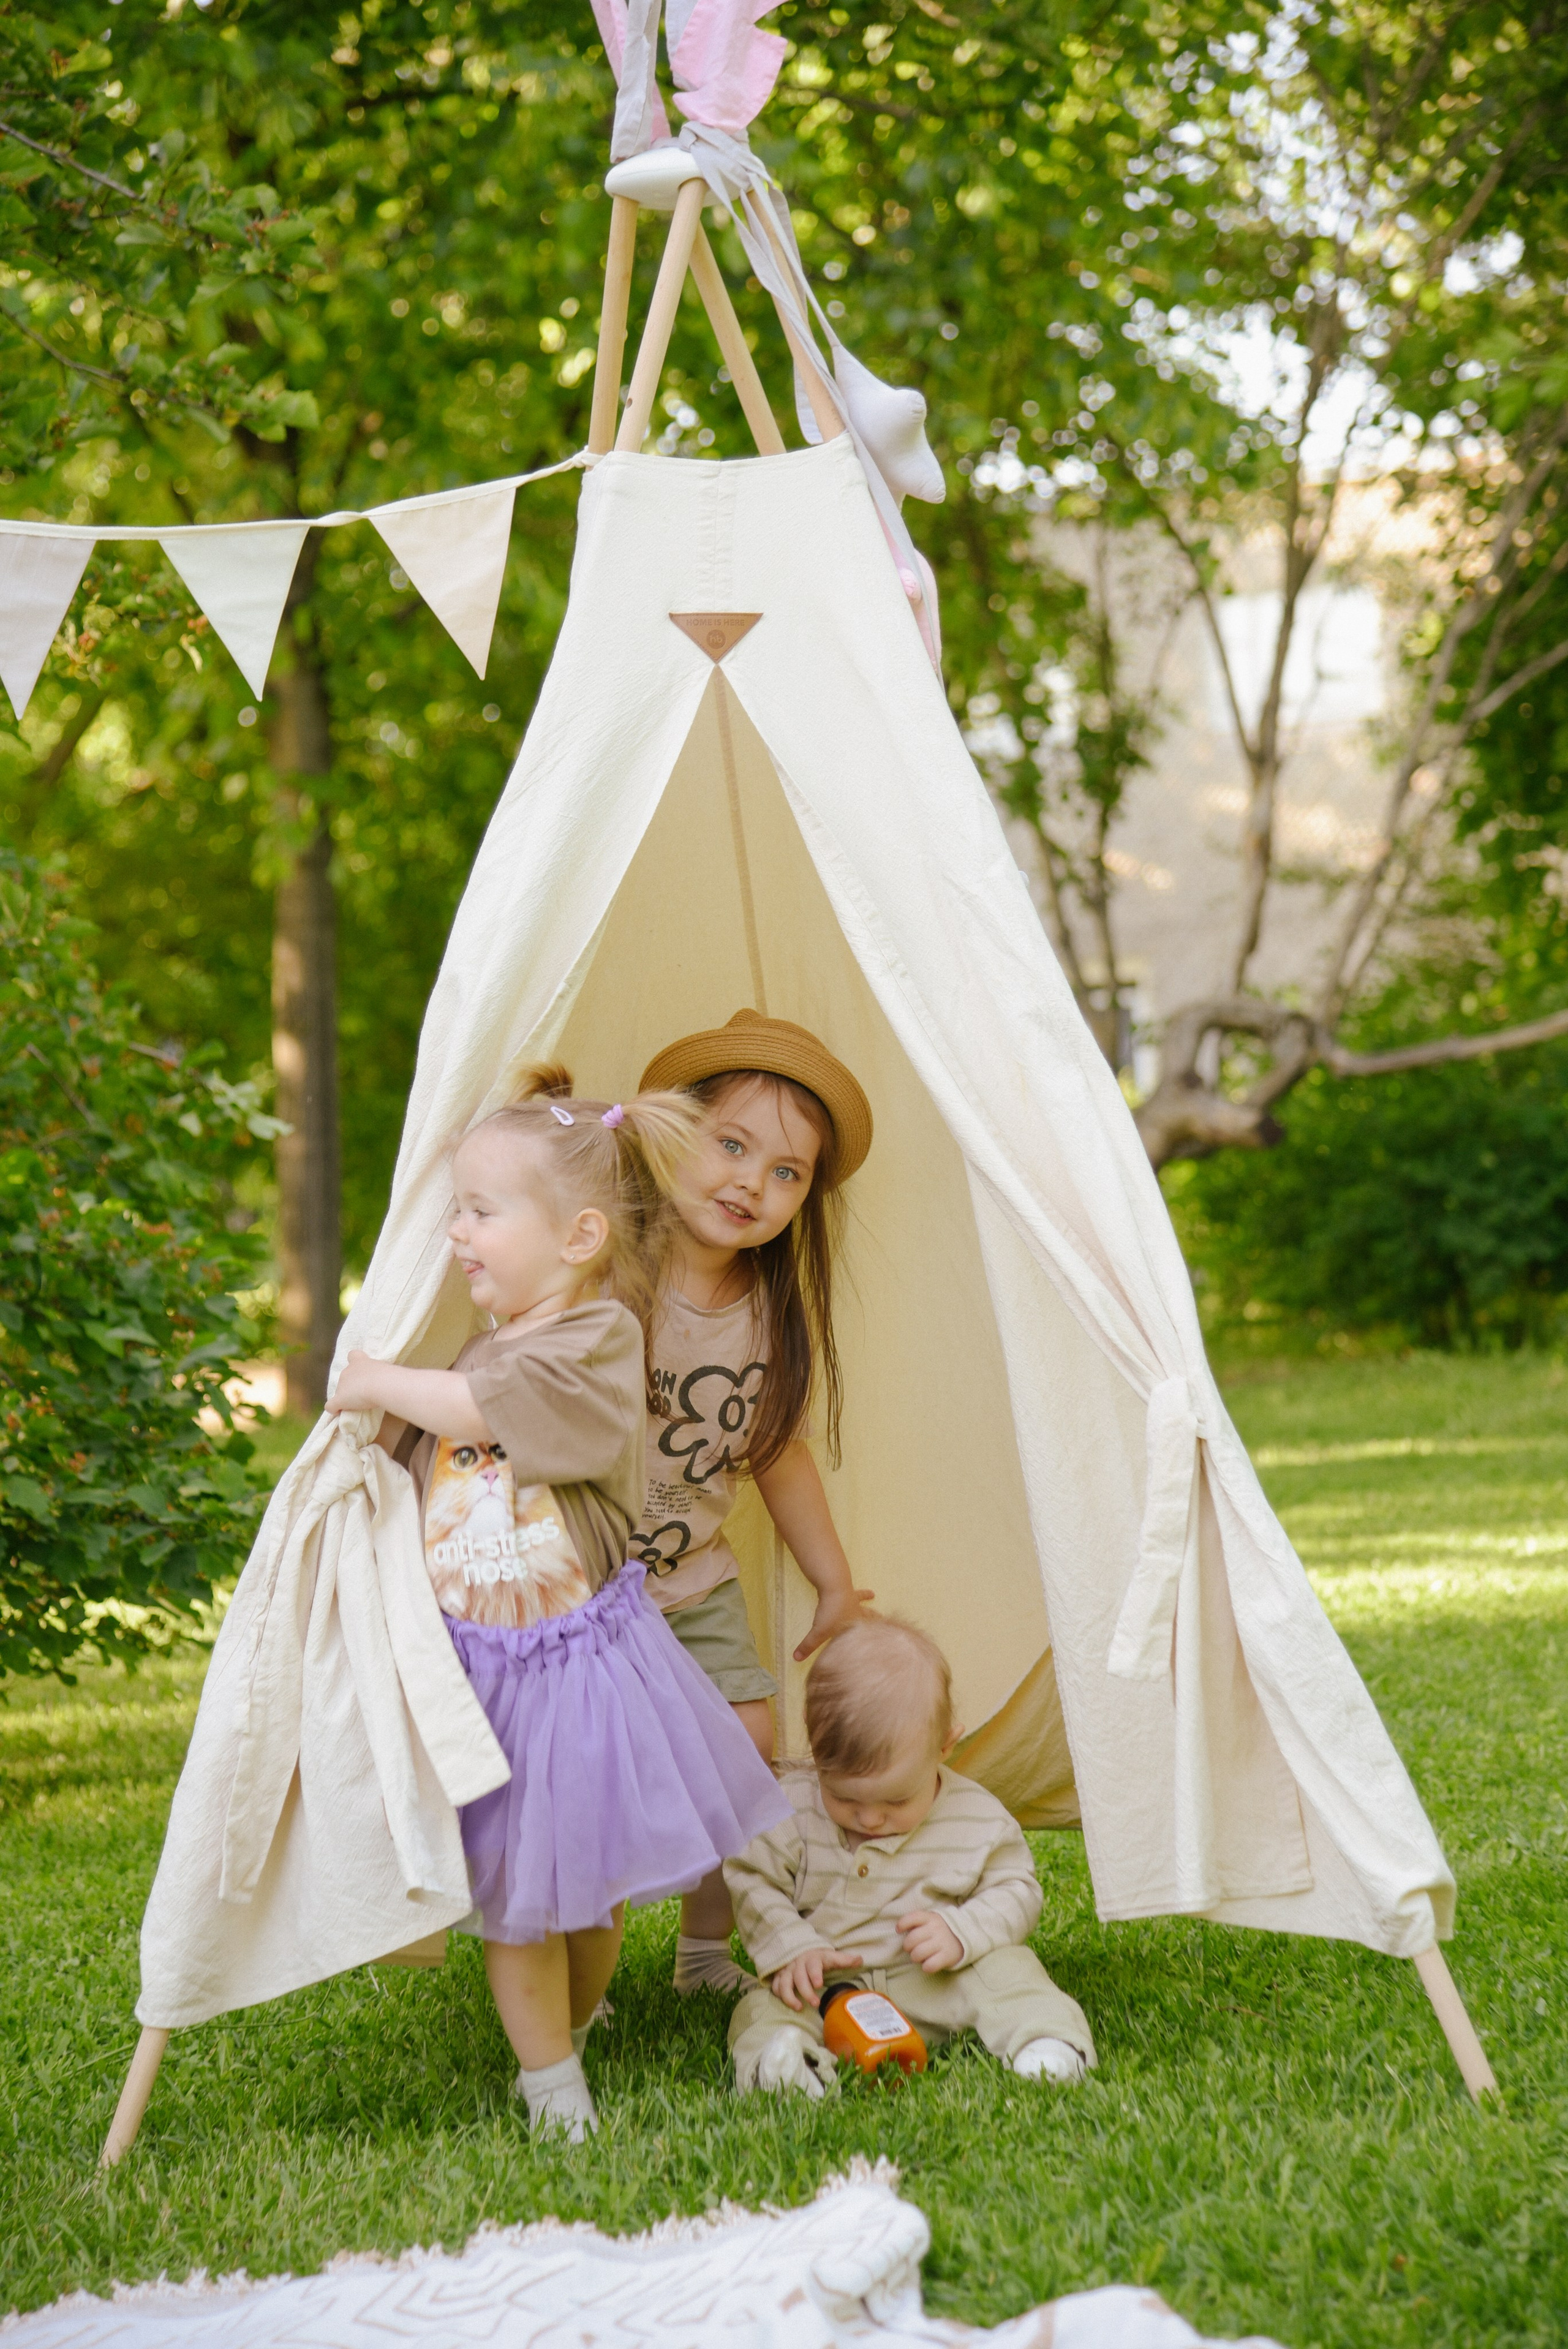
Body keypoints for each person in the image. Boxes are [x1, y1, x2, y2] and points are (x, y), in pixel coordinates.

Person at [326, 1069, 790, 2141]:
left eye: (481, 1214)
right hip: (479, 1667)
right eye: (455, 1213)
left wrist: (373, 1379)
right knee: (514, 1899)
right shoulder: (491, 1339)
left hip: (578, 1668)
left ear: (580, 1237)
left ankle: (575, 2025)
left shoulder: (596, 1341)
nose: (459, 1236)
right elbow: (435, 1457)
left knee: (583, 1898)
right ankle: (550, 2082)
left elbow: (476, 1414)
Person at [631, 1009, 873, 1995]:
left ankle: (702, 1952)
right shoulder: (608, 1271)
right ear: (673, 1138)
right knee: (593, 1772)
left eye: (787, 1173)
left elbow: (775, 1454)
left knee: (749, 1745)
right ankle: (578, 1969)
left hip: (695, 1579)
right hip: (581, 1587)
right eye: (731, 1145)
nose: (752, 1183)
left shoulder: (769, 1312)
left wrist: (835, 1581)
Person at [722, 1614, 1096, 2097]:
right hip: (829, 1990)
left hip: (936, 1983)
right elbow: (752, 1878)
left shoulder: (976, 1818)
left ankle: (1047, 2043)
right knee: (758, 2009)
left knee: (1009, 1971)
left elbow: (1018, 1889)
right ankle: (787, 2066)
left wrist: (962, 1932)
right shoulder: (788, 1811)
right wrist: (790, 1946)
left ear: (945, 1745)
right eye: (844, 1799)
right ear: (816, 1750)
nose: (869, 1819)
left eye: (896, 1801)